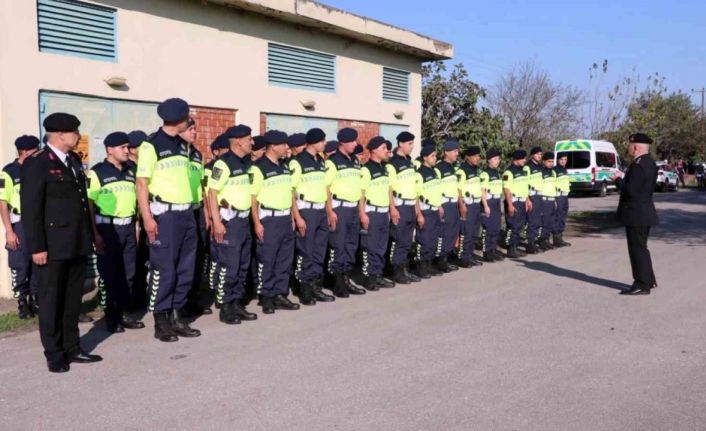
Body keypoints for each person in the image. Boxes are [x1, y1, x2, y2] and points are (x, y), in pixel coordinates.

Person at [21, 112, 102, 372]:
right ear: (59, 134)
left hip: (76, 242)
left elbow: (80, 203)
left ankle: (73, 347)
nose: (78, 136)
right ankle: (54, 352)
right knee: (51, 300)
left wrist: (89, 237)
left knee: (71, 301)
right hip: (52, 246)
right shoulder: (38, 163)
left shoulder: (74, 161)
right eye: (74, 132)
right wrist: (37, 247)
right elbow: (31, 209)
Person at [136, 98, 200, 342]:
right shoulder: (151, 146)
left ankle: (177, 315)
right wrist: (148, 218)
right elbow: (142, 183)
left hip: (186, 214)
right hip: (165, 216)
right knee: (165, 269)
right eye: (187, 118)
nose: (190, 122)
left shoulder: (183, 146)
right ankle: (161, 320)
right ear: (178, 120)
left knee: (186, 268)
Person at [86, 132, 145, 333]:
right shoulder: (97, 172)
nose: (127, 151)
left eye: (128, 147)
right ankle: (111, 317)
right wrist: (95, 234)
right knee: (110, 274)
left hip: (128, 227)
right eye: (123, 147)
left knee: (128, 273)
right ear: (110, 150)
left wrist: (136, 227)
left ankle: (124, 313)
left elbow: (137, 201)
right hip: (107, 229)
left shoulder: (131, 170)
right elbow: (90, 205)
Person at [207, 125, 259, 324]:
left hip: (243, 220)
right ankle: (226, 307)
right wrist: (217, 222)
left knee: (243, 265)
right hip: (230, 221)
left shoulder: (245, 163)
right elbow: (212, 193)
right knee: (230, 265)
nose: (251, 142)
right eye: (249, 139)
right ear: (238, 142)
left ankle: (237, 304)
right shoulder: (223, 164)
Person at [250, 130, 301, 314]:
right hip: (269, 219)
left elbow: (290, 193)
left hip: (285, 218)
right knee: (268, 258)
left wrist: (292, 217)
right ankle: (267, 296)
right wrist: (257, 223)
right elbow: (253, 199)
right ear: (273, 146)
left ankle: (280, 294)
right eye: (283, 145)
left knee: (284, 260)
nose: (287, 148)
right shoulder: (258, 168)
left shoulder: (284, 166)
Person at [289, 128, 336, 305]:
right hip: (306, 211)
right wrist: (297, 216)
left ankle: (316, 286)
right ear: (314, 142)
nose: (325, 144)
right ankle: (305, 289)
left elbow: (325, 187)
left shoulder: (321, 161)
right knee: (305, 251)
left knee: (319, 251)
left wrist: (329, 210)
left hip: (320, 211)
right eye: (323, 141)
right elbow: (291, 191)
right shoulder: (297, 162)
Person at [614, 133, 659, 295]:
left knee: (636, 250)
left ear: (635, 147)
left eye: (630, 145)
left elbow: (631, 191)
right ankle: (648, 279)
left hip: (636, 213)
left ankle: (641, 283)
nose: (628, 148)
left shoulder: (639, 165)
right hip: (643, 212)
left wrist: (618, 180)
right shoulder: (649, 163)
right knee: (641, 248)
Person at [1, 135, 40, 319]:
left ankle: (35, 299)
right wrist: (9, 231)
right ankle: (22, 303)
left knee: (37, 262)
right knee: (20, 264)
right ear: (24, 151)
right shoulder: (9, 172)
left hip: (37, 222)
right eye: (34, 150)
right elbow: (3, 202)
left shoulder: (37, 168)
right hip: (19, 223)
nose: (37, 154)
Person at [325, 128, 366, 297]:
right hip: (339, 208)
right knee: (338, 245)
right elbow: (326, 187)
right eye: (352, 142)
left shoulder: (355, 161)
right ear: (343, 143)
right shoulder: (332, 162)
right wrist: (330, 211)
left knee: (351, 246)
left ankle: (347, 278)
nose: (355, 144)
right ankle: (338, 282)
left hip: (353, 208)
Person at [181, 117, 212, 317]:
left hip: (197, 209)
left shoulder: (197, 155)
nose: (194, 132)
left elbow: (203, 186)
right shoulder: (175, 154)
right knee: (183, 259)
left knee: (197, 257)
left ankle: (192, 299)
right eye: (190, 129)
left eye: (195, 129)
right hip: (180, 210)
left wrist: (207, 212)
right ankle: (179, 304)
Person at [359, 136, 395, 291]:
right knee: (371, 246)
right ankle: (369, 277)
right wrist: (362, 213)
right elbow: (361, 193)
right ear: (373, 150)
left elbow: (388, 191)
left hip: (383, 212)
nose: (386, 151)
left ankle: (378, 274)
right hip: (372, 212)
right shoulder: (366, 170)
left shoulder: (384, 169)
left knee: (381, 246)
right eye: (383, 148)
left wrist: (391, 209)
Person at [386, 131, 422, 284]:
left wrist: (417, 211)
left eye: (413, 143)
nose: (412, 147)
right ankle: (396, 271)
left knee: (407, 242)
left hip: (410, 206)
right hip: (399, 206)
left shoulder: (410, 162)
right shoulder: (392, 163)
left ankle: (404, 269)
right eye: (410, 144)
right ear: (400, 144)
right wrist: (392, 208)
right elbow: (389, 188)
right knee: (399, 240)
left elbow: (413, 188)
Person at [204, 133, 230, 295]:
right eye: (225, 149)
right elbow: (208, 194)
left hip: (229, 216)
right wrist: (212, 219)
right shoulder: (209, 169)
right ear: (215, 151)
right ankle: (213, 287)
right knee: (215, 254)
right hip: (215, 214)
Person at [126, 129, 149, 310]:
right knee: (133, 263)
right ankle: (132, 299)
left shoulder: (146, 165)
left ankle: (142, 295)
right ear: (133, 149)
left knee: (144, 261)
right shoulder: (127, 168)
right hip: (134, 222)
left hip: (146, 219)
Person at [413, 143, 443, 278]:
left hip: (435, 211)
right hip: (425, 212)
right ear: (425, 157)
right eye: (432, 156)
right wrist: (418, 214)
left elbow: (437, 192)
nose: (435, 158)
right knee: (424, 241)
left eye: (435, 156)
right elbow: (416, 196)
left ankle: (429, 265)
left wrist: (440, 206)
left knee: (432, 241)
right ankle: (421, 267)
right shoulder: (419, 174)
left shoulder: (435, 172)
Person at [455, 145, 485, 267]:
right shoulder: (462, 171)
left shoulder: (476, 169)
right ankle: (463, 257)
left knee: (474, 232)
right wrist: (462, 205)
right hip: (468, 205)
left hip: (476, 205)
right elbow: (458, 189)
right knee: (466, 232)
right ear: (467, 157)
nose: (477, 158)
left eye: (478, 156)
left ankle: (470, 254)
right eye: (475, 156)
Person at [436, 139, 461, 273]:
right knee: (444, 233)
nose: (457, 154)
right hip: (444, 203)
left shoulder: (453, 167)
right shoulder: (439, 168)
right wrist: (439, 205)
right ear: (446, 152)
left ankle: (447, 258)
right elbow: (436, 188)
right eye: (455, 151)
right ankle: (441, 261)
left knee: (452, 231)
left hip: (453, 203)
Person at [502, 149, 530, 259]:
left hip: (522, 201)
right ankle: (511, 249)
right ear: (516, 159)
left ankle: (515, 247)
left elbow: (524, 187)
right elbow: (506, 189)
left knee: (519, 226)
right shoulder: (508, 172)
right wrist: (510, 205)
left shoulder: (522, 171)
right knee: (513, 226)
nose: (525, 160)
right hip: (514, 202)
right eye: (523, 158)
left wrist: (527, 200)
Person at [480, 148, 504, 262]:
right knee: (488, 229)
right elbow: (482, 190)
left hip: (496, 202)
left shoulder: (497, 173)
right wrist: (485, 206)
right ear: (489, 160)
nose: (497, 161)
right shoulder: (485, 174)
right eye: (495, 159)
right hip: (489, 202)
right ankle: (487, 253)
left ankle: (493, 251)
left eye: (498, 159)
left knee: (496, 228)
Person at [524, 146, 544, 253]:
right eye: (537, 154)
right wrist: (527, 199)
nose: (539, 156)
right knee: (531, 221)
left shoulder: (540, 167)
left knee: (537, 221)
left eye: (540, 154)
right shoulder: (528, 167)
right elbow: (525, 184)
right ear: (532, 155)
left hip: (539, 196)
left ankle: (534, 242)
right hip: (531, 196)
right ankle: (529, 244)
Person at [537, 152, 557, 251]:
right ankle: (541, 241)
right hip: (544, 200)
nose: (551, 163)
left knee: (550, 222)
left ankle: (547, 240)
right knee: (544, 222)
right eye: (549, 161)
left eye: (552, 161)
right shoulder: (540, 172)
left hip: (552, 200)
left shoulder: (553, 172)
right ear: (544, 161)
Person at [553, 153, 572, 247]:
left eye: (565, 159)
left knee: (563, 217)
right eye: (562, 159)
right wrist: (555, 199)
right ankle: (556, 239)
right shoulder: (555, 170)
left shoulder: (564, 170)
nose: (563, 161)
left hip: (565, 196)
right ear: (558, 160)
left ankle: (560, 238)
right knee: (558, 217)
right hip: (558, 196)